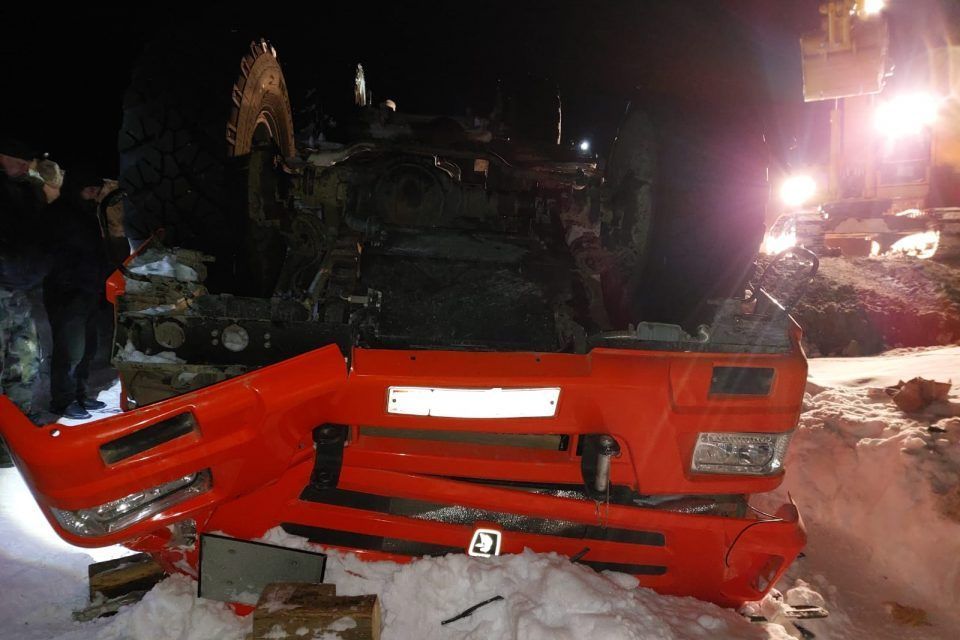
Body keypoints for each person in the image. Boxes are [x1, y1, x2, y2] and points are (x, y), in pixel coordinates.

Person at [43, 170, 113, 420]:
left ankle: (80, 394)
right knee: (70, 349)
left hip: (89, 290)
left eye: (96, 190)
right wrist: (67, 285)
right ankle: (63, 400)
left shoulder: (87, 214)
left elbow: (95, 252)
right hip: (68, 293)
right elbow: (52, 255)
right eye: (89, 189)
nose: (94, 195)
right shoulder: (58, 214)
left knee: (87, 348)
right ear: (76, 187)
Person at [0, 138, 48, 465]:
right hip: (6, 285)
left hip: (19, 288)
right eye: (17, 158)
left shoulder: (26, 192)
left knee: (25, 359)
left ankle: (16, 437)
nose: (24, 164)